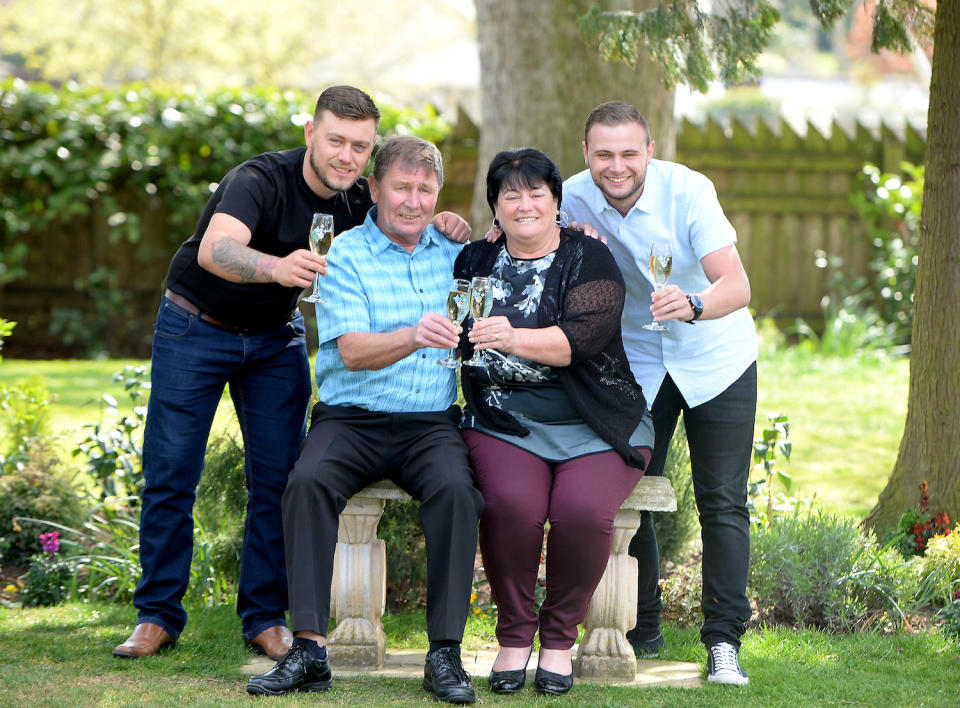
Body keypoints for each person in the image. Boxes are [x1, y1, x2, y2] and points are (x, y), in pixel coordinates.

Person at [113, 87, 471, 661]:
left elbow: (404, 214)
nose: (347, 156)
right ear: (311, 133)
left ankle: (263, 616)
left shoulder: (360, 198)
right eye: (336, 140)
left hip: (275, 340)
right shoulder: (258, 180)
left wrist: (444, 221)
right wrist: (276, 267)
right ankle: (156, 614)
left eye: (360, 145)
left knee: (278, 477)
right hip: (196, 328)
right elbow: (214, 250)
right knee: (172, 469)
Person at [246, 136, 484, 704]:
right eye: (401, 187)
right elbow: (350, 351)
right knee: (306, 484)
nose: (413, 201)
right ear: (373, 189)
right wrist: (412, 335)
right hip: (350, 419)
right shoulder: (341, 255)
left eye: (425, 190)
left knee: (456, 491)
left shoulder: (456, 253)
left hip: (430, 422)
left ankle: (445, 653)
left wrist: (478, 236)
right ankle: (308, 649)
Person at [561, 101, 758, 686]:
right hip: (637, 359)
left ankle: (724, 643)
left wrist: (694, 305)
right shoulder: (571, 195)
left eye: (628, 153)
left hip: (715, 355)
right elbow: (510, 227)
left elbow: (738, 284)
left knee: (722, 500)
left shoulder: (689, 191)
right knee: (629, 487)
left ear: (649, 150)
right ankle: (643, 625)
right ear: (586, 154)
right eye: (603, 154)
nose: (616, 166)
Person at [455, 148, 653, 696]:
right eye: (510, 194)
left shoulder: (590, 256)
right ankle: (515, 637)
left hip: (594, 415)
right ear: (494, 207)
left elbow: (581, 342)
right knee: (512, 508)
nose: (524, 204)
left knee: (583, 512)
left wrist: (510, 337)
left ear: (557, 202)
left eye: (536, 192)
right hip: (504, 416)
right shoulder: (474, 260)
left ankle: (559, 640)